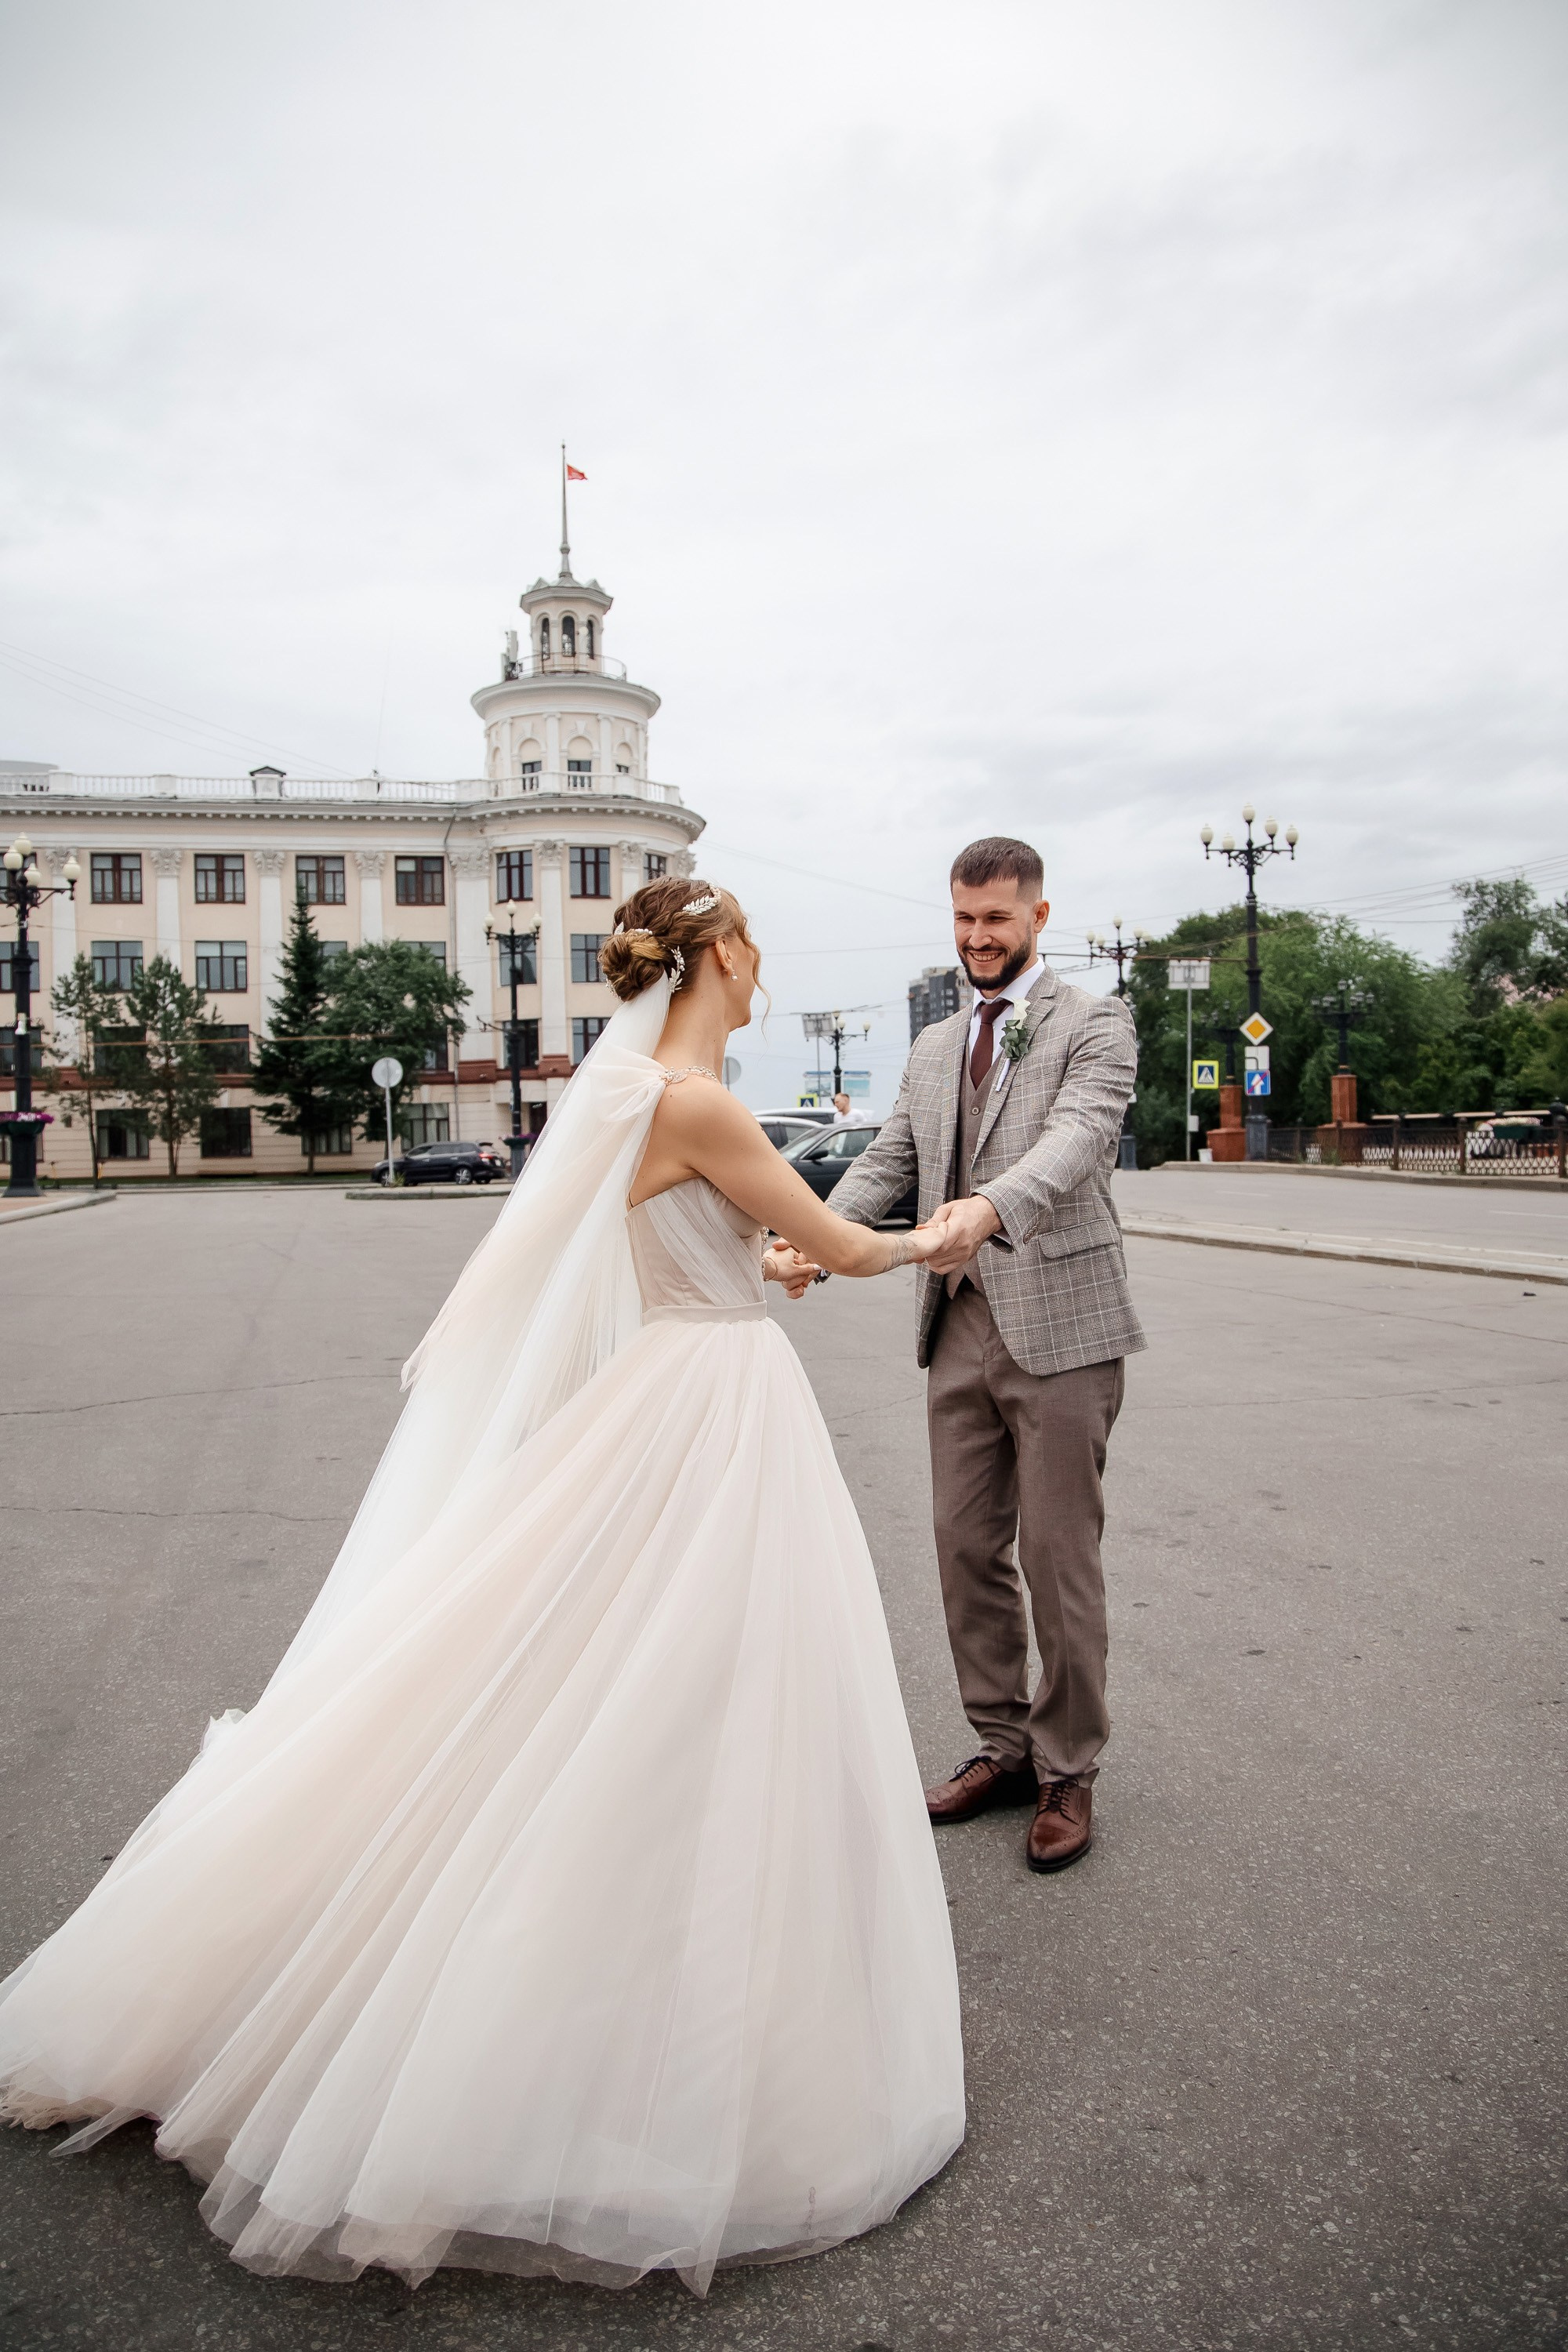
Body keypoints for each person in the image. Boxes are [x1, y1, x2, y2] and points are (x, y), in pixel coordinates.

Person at [0, 880, 963, 2294]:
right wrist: (937, 1239)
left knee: (636, 1683)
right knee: (700, 1684)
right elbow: (848, 1243)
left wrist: (760, 1258)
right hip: (711, 1408)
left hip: (674, 1384)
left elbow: (703, 1249)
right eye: (752, 946)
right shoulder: (691, 1099)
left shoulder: (635, 1090)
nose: (765, 967)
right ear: (712, 959)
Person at [821, 837, 1144, 1875]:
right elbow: (893, 1159)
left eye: (996, 920)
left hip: (1061, 1327)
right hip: (954, 1325)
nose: (976, 939)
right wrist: (817, 1238)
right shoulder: (932, 1044)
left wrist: (990, 1207)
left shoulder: (1094, 1023)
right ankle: (1003, 1747)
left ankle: (1068, 1766)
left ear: (1038, 918)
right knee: (965, 1550)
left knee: (1059, 1557)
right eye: (962, 920)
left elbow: (1078, 1139)